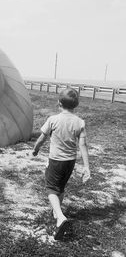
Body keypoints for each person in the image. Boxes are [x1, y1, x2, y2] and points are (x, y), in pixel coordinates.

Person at [32, 88, 90, 240]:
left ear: (58, 102)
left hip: (56, 160)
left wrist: (36, 149)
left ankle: (59, 216)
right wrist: (86, 166)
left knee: (51, 189)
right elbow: (83, 145)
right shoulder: (80, 122)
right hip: (70, 162)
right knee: (61, 187)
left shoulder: (53, 120)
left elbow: (42, 138)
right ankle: (56, 211)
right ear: (76, 105)